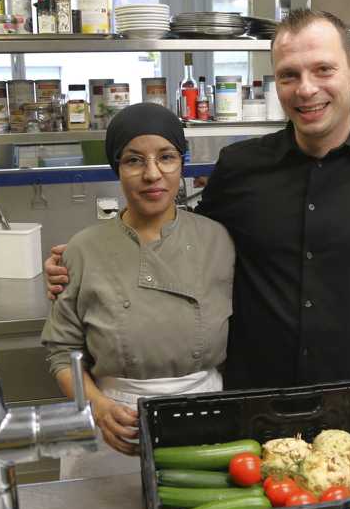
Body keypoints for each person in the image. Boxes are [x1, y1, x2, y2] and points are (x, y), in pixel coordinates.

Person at [46, 9, 350, 418]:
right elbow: (178, 238)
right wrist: (84, 266)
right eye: (289, 75)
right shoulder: (241, 167)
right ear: (275, 82)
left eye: (323, 69)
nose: (306, 89)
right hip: (250, 403)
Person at [41, 102, 235, 476]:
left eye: (166, 157)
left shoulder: (219, 241)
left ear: (182, 163)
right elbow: (62, 353)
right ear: (117, 168)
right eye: (134, 160)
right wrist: (98, 407)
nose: (152, 174)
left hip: (203, 417)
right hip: (115, 425)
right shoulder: (84, 248)